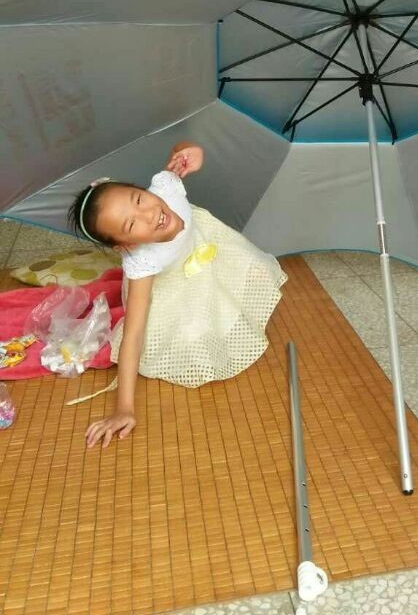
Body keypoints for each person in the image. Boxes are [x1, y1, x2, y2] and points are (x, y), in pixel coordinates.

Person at [67, 141, 287, 449]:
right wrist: (124, 408)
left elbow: (180, 150)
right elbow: (133, 334)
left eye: (139, 199)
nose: (149, 214)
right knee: (194, 338)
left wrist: (191, 150)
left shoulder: (165, 187)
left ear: (143, 189)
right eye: (132, 224)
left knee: (238, 286)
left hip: (206, 250)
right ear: (126, 245)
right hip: (174, 287)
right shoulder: (142, 261)